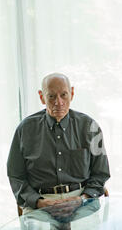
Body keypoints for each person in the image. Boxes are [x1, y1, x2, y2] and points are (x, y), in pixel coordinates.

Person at [7, 72, 110, 214]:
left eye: (64, 95)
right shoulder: (25, 129)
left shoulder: (90, 126)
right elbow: (16, 175)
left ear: (72, 94)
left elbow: (101, 173)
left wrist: (82, 198)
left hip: (82, 201)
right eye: (51, 96)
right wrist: (39, 202)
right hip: (41, 203)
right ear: (42, 97)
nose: (58, 102)